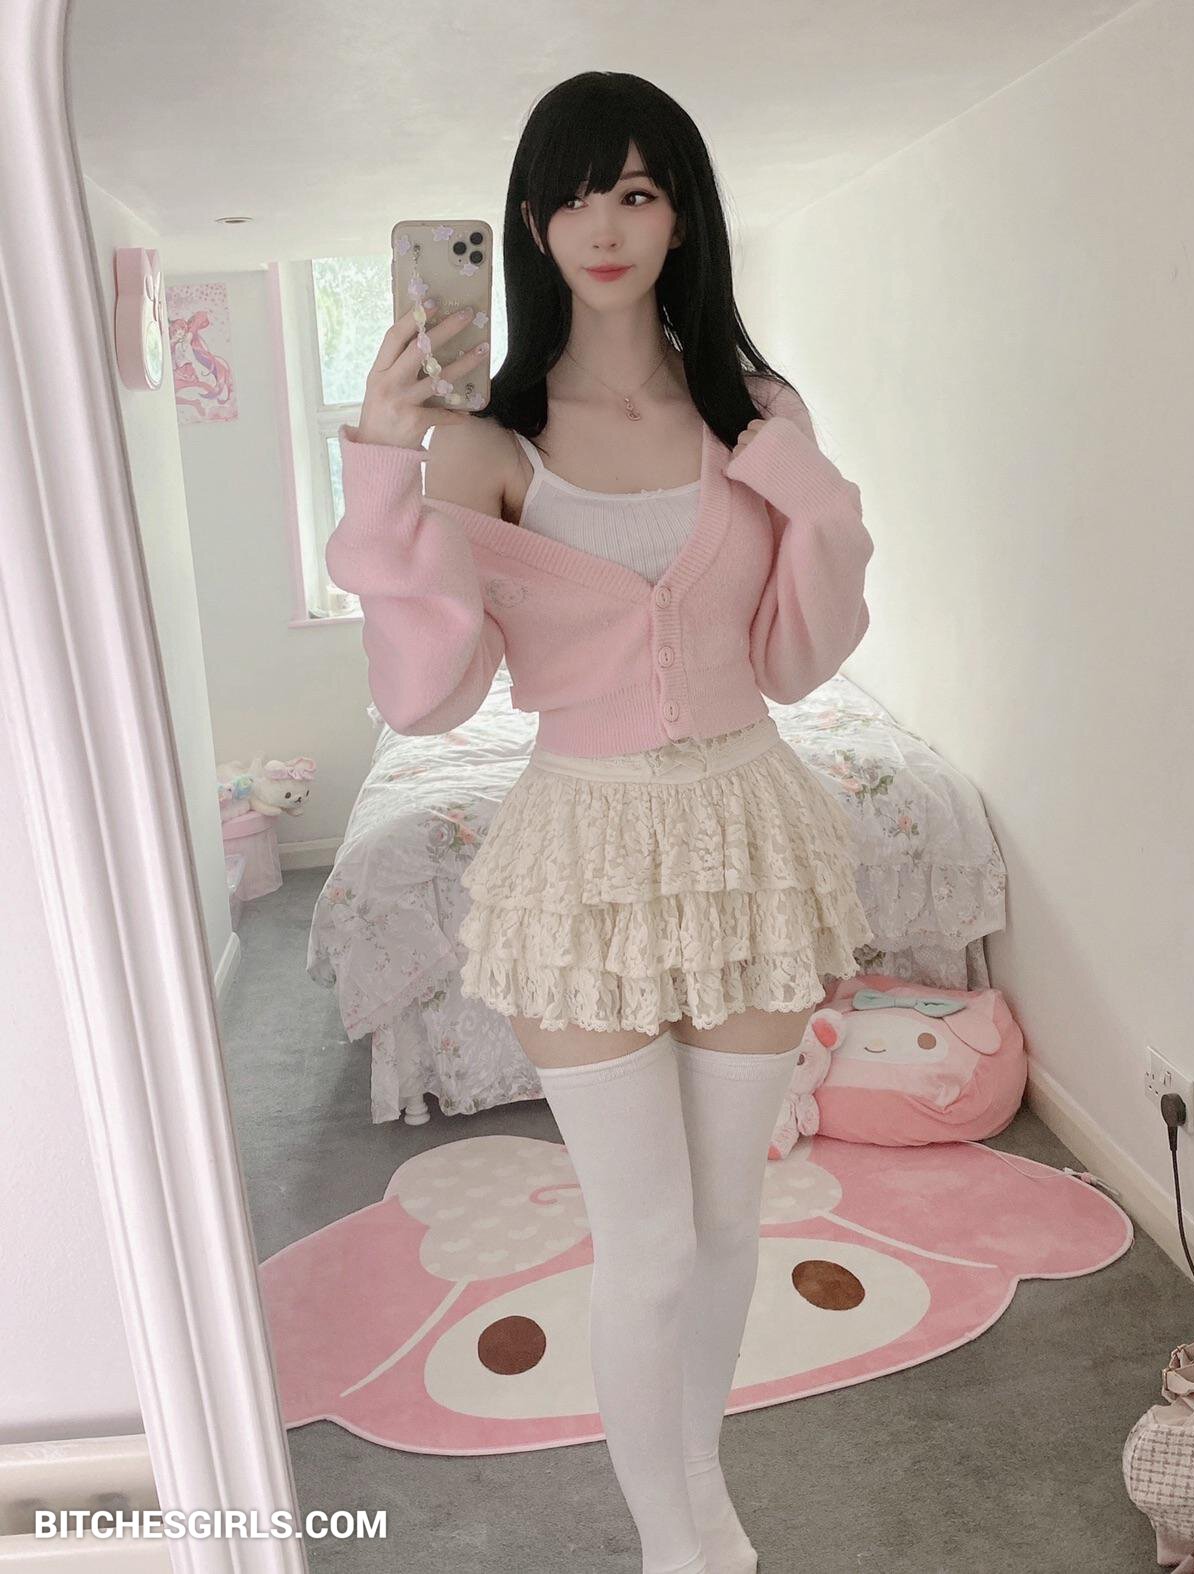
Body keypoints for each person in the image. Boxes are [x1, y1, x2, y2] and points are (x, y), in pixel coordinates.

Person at [328, 70, 875, 1574]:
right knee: (645, 1241)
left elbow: (797, 658)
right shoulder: (484, 443)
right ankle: (669, 1545)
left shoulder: (751, 414)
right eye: (575, 196)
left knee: (725, 1224)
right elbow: (427, 698)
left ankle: (699, 1485)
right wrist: (380, 468)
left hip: (747, 831)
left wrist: (815, 499)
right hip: (581, 851)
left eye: (637, 191)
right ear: (530, 225)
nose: (607, 225)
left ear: (680, 213)